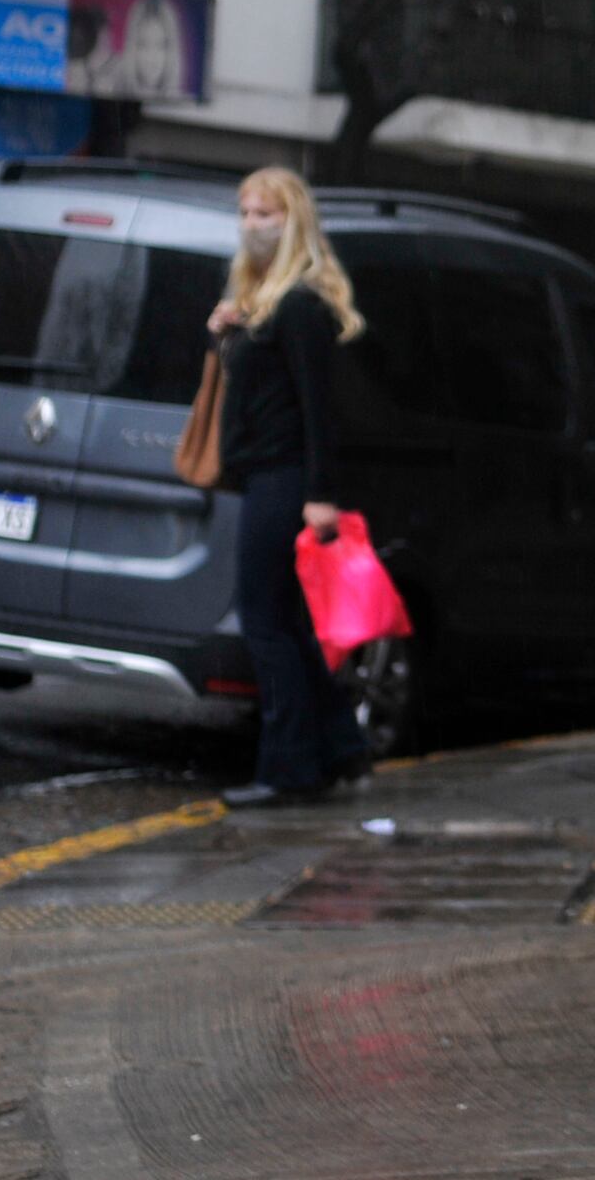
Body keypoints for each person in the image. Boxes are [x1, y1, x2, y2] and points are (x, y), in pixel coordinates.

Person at [210, 167, 372, 807]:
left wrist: (320, 494)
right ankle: (337, 750)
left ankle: (286, 770)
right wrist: (228, 334)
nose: (253, 225)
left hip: (285, 483)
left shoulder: (300, 305)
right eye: (246, 212)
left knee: (267, 627)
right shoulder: (264, 305)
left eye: (267, 215)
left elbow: (317, 407)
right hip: (269, 478)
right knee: (289, 627)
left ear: (293, 222)